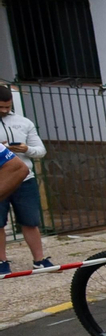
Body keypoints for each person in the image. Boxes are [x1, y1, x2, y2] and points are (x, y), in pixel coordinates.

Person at [0, 86, 53, 273]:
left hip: (25, 179)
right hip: (1, 179)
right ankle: (1, 262)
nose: (5, 111)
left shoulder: (23, 122)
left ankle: (39, 260)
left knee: (30, 220)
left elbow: (41, 151)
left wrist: (26, 150)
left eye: (8, 107)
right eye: (1, 107)